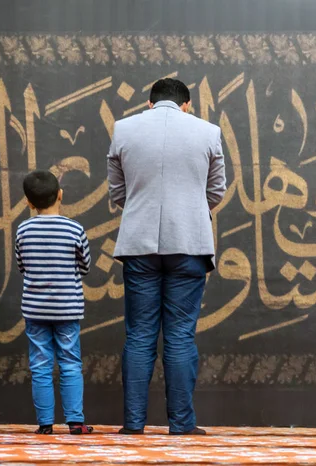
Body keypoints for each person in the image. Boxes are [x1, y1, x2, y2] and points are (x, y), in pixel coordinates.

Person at [107, 78, 226, 435]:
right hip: (189, 243)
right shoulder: (208, 131)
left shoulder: (123, 129)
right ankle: (181, 424)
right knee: (180, 335)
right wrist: (188, 212)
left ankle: (133, 425)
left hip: (139, 244)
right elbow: (216, 190)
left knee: (140, 335)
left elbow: (117, 191)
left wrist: (144, 212)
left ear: (149, 102)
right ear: (187, 104)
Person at [15, 170, 93, 435]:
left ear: (29, 202)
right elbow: (86, 266)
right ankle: (75, 422)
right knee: (70, 361)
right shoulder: (74, 228)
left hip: (35, 309)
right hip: (67, 308)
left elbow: (22, 266)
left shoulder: (23, 229)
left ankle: (45, 424)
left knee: (40, 364)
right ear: (60, 195)